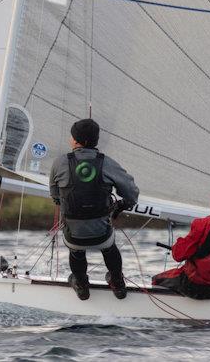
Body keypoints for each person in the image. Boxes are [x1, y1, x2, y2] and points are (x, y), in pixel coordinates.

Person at [49, 118, 139, 301]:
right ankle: (117, 284)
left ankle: (81, 286)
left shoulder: (59, 163)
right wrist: (121, 205)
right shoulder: (107, 163)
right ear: (97, 141)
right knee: (109, 247)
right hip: (102, 234)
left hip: (73, 236)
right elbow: (131, 194)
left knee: (76, 250)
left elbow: (55, 195)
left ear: (74, 140)